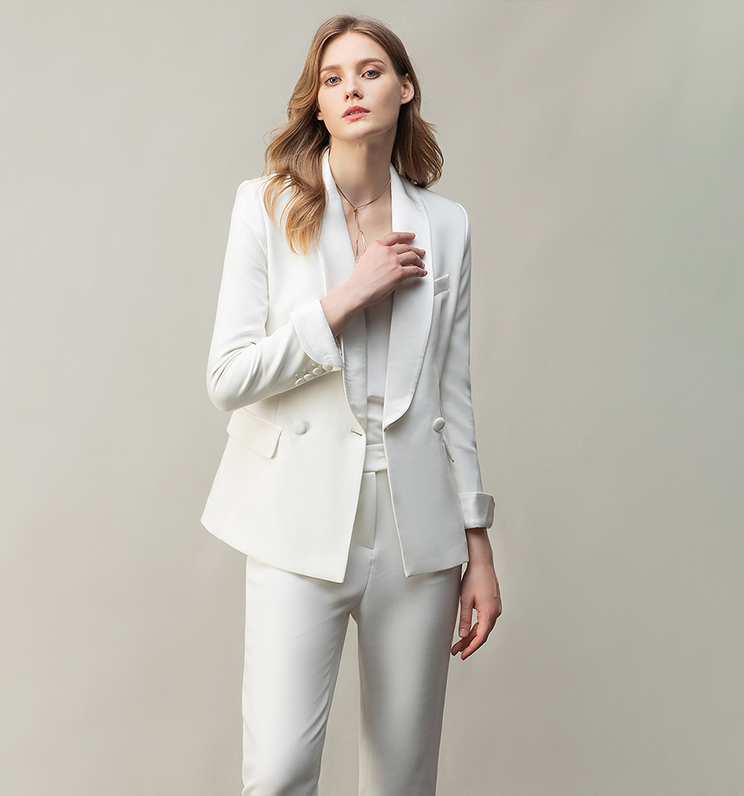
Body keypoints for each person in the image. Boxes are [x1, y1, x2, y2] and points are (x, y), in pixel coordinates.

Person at [201, 13, 501, 796]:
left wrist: (478, 543)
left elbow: (452, 391)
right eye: (331, 78)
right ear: (318, 103)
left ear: (405, 89)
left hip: (417, 527)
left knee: (402, 778)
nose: (351, 89)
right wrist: (342, 301)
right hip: (296, 517)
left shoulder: (447, 225)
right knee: (280, 771)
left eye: (370, 72)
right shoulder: (267, 206)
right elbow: (228, 377)